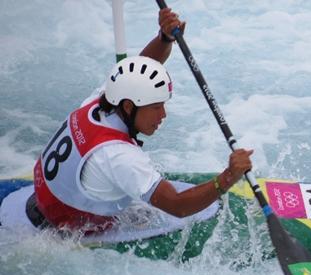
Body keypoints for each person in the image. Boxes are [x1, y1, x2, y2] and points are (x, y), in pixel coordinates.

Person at [28, 8, 253, 233]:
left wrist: (164, 38)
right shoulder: (119, 157)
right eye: (156, 107)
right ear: (128, 106)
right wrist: (227, 178)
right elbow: (177, 205)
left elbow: (139, 68)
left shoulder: (98, 101)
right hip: (70, 226)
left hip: (43, 199)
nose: (163, 114)